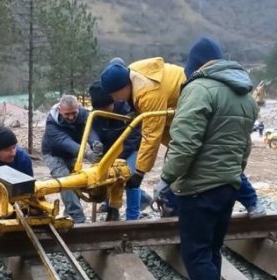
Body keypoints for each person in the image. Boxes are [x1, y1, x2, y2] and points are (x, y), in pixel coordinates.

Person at [155, 37, 258, 280]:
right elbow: (245, 145)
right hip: (227, 184)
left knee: (196, 253)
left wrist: (167, 178)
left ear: (195, 65)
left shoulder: (199, 89)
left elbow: (184, 143)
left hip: (199, 186)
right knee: (211, 249)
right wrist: (235, 174)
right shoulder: (245, 95)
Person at [100, 49, 265, 218]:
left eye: (114, 94)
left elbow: (151, 136)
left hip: (197, 114)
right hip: (181, 117)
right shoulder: (133, 74)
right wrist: (135, 114)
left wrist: (140, 172)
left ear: (123, 86)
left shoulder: (147, 92)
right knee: (181, 163)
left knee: (213, 160)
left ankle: (252, 201)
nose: (114, 99)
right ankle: (173, 211)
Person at [88, 79, 152, 221]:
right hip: (109, 152)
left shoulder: (126, 109)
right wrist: (95, 143)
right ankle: (112, 211)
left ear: (113, 101)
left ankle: (133, 217)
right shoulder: (95, 115)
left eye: (107, 107)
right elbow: (91, 132)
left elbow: (134, 136)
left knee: (130, 178)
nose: (104, 111)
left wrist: (118, 159)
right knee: (104, 178)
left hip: (131, 150)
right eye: (101, 109)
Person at [41, 95, 103, 224]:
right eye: (67, 114)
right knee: (65, 180)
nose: (71, 117)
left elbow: (89, 129)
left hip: (73, 154)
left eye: (73, 113)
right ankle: (77, 217)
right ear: (59, 110)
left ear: (78, 108)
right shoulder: (52, 121)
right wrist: (87, 154)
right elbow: (64, 141)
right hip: (53, 154)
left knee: (77, 179)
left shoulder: (83, 114)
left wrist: (95, 143)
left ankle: (69, 214)